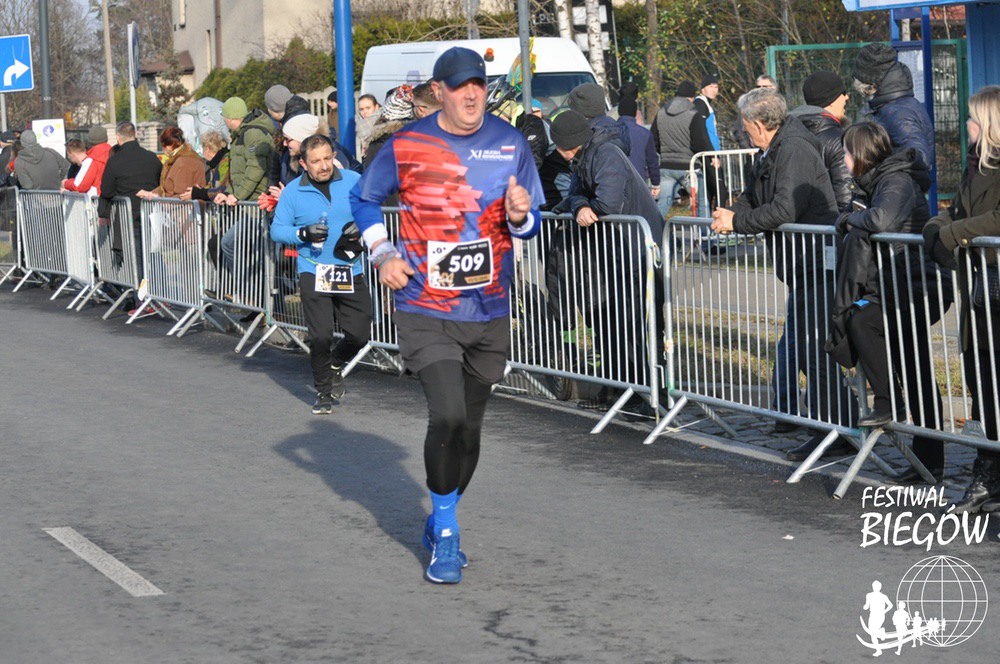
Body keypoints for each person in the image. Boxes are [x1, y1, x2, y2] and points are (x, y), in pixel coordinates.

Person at [350, 46, 543, 584]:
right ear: (439, 92)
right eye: (460, 86)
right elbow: (364, 200)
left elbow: (531, 219)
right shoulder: (407, 144)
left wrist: (521, 217)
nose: (471, 94)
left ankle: (439, 519)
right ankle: (449, 535)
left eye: (478, 84)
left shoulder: (510, 142)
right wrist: (383, 252)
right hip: (424, 304)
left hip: (489, 305)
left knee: (471, 430)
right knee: (449, 417)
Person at [710, 88, 858, 460]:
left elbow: (784, 209)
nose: (744, 131)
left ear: (760, 124)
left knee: (815, 349)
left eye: (745, 125)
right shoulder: (771, 150)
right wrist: (730, 213)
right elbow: (753, 195)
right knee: (808, 349)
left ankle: (839, 429)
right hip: (801, 263)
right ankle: (833, 426)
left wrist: (737, 223)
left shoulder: (793, 149)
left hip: (817, 261)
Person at [829, 122, 948, 480]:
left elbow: (880, 219)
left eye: (847, 153)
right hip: (895, 285)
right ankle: (915, 442)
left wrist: (849, 219)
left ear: (862, 154)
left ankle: (923, 449)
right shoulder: (874, 181)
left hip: (918, 285)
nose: (844, 160)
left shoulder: (896, 179)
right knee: (874, 331)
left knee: (911, 361)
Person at [549, 109, 665, 410]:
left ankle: (649, 395)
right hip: (618, 252)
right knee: (615, 323)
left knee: (636, 325)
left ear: (566, 144)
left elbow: (608, 203)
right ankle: (621, 389)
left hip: (636, 250)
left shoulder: (605, 154)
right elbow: (575, 196)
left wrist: (581, 204)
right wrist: (578, 204)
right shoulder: (587, 156)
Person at [924, 85, 1000, 512]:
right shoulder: (976, 164)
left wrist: (953, 233)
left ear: (988, 123)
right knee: (980, 383)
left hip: (995, 287)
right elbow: (958, 212)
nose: (966, 124)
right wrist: (935, 228)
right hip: (978, 293)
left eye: (972, 117)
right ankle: (989, 471)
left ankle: (988, 473)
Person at [270, 134, 371, 414]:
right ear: (303, 164)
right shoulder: (293, 191)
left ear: (334, 157)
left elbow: (372, 211)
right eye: (316, 161)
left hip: (349, 268)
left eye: (328, 158)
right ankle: (324, 392)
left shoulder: (353, 180)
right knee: (321, 336)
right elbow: (277, 230)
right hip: (313, 269)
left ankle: (335, 363)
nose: (324, 165)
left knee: (360, 334)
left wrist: (361, 225)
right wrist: (303, 234)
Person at [853, 42, 935, 170]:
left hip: (898, 182)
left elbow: (919, 158)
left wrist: (883, 173)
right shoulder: (895, 106)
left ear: (870, 85)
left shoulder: (896, 113)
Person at [98, 121, 163, 281]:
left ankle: (140, 291)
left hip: (128, 213)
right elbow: (161, 181)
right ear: (135, 135)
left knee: (136, 256)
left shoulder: (114, 161)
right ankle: (158, 289)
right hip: (152, 211)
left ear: (118, 137)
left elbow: (106, 190)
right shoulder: (151, 157)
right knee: (154, 252)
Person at [651, 81, 714, 217]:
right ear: (692, 97)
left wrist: (664, 153)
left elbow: (653, 140)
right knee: (701, 202)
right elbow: (700, 142)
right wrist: (712, 157)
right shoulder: (694, 114)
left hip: (666, 166)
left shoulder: (660, 113)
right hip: (689, 167)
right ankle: (704, 230)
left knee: (664, 202)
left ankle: (653, 228)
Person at [138, 126, 206, 199]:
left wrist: (159, 199)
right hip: (177, 204)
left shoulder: (183, 162)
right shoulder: (181, 158)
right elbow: (166, 187)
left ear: (170, 146)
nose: (163, 149)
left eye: (164, 146)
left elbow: (182, 195)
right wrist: (150, 193)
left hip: (183, 205)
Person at [616, 94, 660, 200]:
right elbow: (652, 161)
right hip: (638, 181)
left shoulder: (609, 131)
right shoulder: (645, 134)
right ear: (635, 113)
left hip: (614, 181)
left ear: (619, 112)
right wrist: (655, 183)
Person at [694, 74, 726, 213]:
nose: (714, 90)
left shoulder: (707, 104)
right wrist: (713, 155)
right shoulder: (700, 104)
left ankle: (708, 222)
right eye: (711, 87)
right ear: (703, 89)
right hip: (708, 154)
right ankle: (718, 220)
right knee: (720, 190)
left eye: (716, 87)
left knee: (710, 191)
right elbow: (702, 132)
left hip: (711, 152)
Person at [361, 85, 414, 170]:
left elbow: (371, 174)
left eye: (368, 108)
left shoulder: (379, 141)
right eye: (361, 109)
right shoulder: (422, 135)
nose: (364, 112)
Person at [183, 130, 230, 201]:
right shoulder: (216, 163)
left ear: (207, 149)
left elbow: (222, 190)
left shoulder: (224, 162)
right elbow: (214, 187)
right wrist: (201, 190)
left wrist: (198, 193)